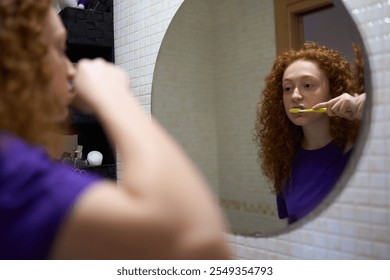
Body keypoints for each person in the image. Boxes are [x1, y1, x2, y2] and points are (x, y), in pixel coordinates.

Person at [0, 0, 231, 259]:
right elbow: (197, 246)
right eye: (57, 47)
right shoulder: (12, 173)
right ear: (13, 59)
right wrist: (111, 93)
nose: (69, 69)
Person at [253, 42, 366, 224]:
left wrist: (371, 107)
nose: (295, 96)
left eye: (307, 85)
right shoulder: (284, 160)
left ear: (332, 91)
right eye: (287, 88)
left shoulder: (363, 147)